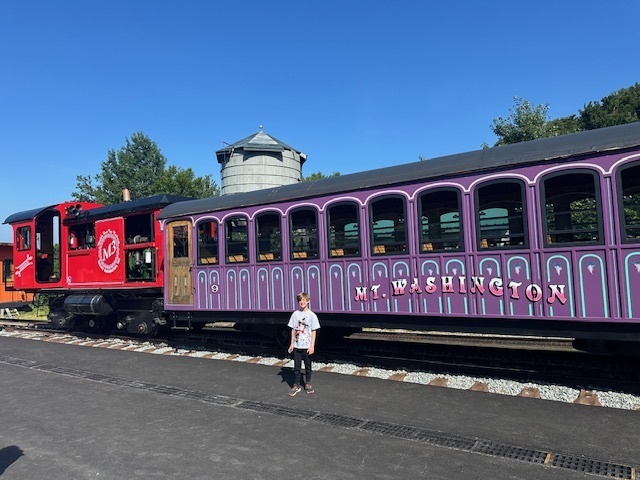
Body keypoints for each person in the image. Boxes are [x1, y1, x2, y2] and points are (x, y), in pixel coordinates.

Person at [287, 292, 320, 396]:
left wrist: (312, 346)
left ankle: (308, 383)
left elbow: (314, 331)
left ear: (308, 301)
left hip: (307, 346)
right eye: (300, 300)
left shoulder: (312, 316)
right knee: (297, 366)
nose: (302, 302)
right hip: (297, 345)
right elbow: (293, 329)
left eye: (304, 300)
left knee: (308, 365)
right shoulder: (295, 314)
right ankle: (296, 385)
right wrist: (292, 343)